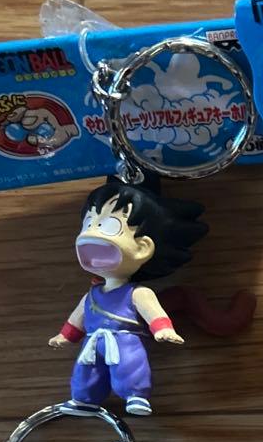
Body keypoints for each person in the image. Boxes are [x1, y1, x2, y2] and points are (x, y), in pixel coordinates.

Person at [49, 176, 207, 415]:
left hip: (125, 340)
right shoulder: (91, 294)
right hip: (92, 342)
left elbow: (154, 314)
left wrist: (163, 330)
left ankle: (135, 395)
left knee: (130, 366)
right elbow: (77, 319)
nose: (91, 234)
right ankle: (84, 398)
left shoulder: (138, 293)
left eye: (110, 226)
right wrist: (65, 336)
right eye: (89, 223)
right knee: (86, 370)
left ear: (143, 247)